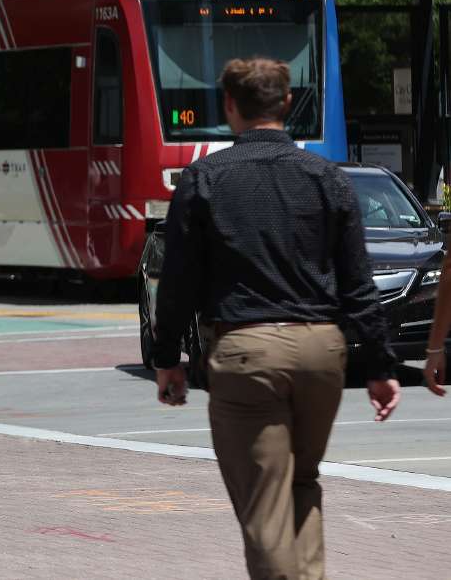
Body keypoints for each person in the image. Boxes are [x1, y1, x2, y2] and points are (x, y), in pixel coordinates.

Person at [151, 58, 400, 580]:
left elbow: (178, 281)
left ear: (230, 107)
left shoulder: (205, 178)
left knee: (264, 500)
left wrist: (167, 357)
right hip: (320, 350)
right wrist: (380, 366)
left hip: (247, 349)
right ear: (287, 104)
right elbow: (357, 282)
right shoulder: (327, 178)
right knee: (302, 483)